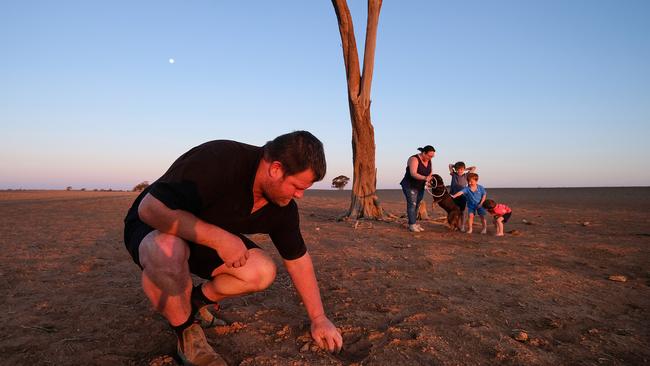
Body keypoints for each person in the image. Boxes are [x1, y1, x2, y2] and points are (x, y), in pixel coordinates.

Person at [123, 131, 343, 365]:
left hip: (200, 239)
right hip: (154, 227)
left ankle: (195, 300)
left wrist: (319, 318)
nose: (300, 195)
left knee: (261, 271)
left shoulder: (283, 207)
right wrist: (218, 238)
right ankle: (187, 333)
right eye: (297, 186)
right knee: (168, 247)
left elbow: (298, 260)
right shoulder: (220, 159)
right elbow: (149, 209)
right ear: (276, 169)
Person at [399, 145, 435, 232]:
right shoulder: (414, 159)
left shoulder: (429, 160)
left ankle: (414, 222)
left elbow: (430, 173)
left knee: (417, 204)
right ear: (423, 153)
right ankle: (412, 225)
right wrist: (425, 178)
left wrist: (428, 181)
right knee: (412, 204)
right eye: (429, 156)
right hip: (409, 185)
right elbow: (413, 173)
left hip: (420, 186)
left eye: (432, 156)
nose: (431, 158)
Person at [448, 161, 477, 232]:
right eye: (458, 169)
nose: (459, 171)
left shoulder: (466, 175)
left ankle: (463, 226)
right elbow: (450, 165)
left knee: (462, 211)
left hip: (462, 196)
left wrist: (464, 169)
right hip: (453, 195)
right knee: (453, 211)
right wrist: (456, 167)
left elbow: (474, 167)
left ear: (463, 169)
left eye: (461, 169)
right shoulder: (453, 174)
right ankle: (455, 225)